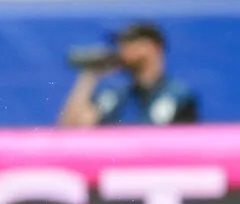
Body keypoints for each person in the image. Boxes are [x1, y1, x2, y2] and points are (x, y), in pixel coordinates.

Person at [59, 22, 199, 126]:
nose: (121, 50)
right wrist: (89, 76)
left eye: (128, 43)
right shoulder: (114, 97)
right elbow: (70, 131)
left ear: (151, 47)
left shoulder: (178, 96)